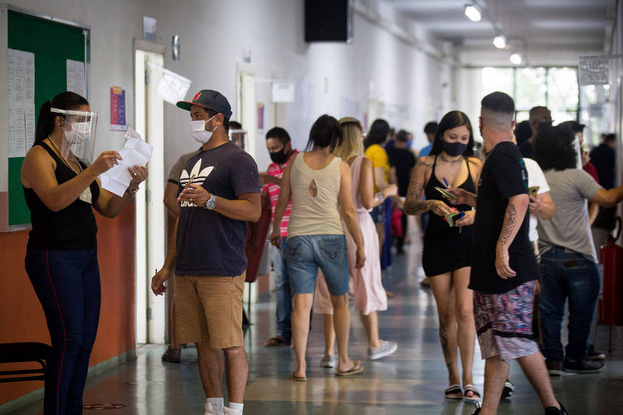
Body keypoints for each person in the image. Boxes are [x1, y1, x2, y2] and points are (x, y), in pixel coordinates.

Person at [21, 91, 147, 415]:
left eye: (90, 121)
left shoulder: (75, 161)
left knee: (85, 340)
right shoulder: (40, 156)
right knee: (68, 339)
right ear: (60, 121)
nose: (86, 128)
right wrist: (92, 171)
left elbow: (107, 207)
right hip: (54, 257)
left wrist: (132, 187)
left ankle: (73, 407)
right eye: (81, 121)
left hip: (85, 256)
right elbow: (53, 199)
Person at [446, 92, 567, 415]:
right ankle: (487, 411)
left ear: (481, 122)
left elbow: (520, 200)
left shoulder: (501, 156)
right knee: (497, 345)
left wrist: (502, 248)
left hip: (508, 270)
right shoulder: (501, 157)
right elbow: (503, 203)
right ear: (512, 123)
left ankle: (553, 408)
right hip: (493, 271)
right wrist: (471, 198)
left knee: (518, 342)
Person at [152, 90, 261, 415]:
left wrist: (212, 201)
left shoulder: (238, 160)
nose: (194, 121)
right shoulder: (192, 161)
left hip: (221, 266)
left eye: (199, 115)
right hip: (187, 268)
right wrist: (167, 266)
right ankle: (212, 405)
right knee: (201, 342)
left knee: (229, 343)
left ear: (218, 119)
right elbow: (183, 218)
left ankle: (235, 408)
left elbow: (252, 211)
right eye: (192, 116)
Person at [268, 114, 365, 381]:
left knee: (301, 303)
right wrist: (360, 243)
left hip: (297, 237)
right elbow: (347, 209)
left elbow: (283, 199)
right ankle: (343, 361)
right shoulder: (340, 166)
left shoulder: (295, 162)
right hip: (331, 238)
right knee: (340, 301)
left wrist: (277, 230)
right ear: (335, 139)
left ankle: (300, 367)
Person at [403, 110, 482, 402]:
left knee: (465, 311)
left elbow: (490, 203)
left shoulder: (476, 165)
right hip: (437, 244)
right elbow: (408, 205)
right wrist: (431, 204)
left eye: (464, 138)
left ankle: (471, 378)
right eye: (452, 137)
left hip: (468, 245)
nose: (458, 143)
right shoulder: (424, 164)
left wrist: (473, 213)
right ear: (441, 137)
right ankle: (453, 378)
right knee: (446, 313)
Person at [534, 126, 623, 376]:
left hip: (547, 256)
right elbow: (606, 199)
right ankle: (576, 357)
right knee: (582, 312)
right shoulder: (576, 175)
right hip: (579, 257)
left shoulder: (539, 177)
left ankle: (552, 359)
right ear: (567, 149)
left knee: (550, 312)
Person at [314, 116, 398, 366]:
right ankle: (374, 344)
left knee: (330, 289)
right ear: (358, 137)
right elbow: (368, 202)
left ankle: (329, 353)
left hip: (330, 225)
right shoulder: (363, 162)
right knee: (367, 282)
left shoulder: (328, 162)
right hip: (358, 226)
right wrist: (389, 192)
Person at [259, 127, 298, 347]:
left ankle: (302, 331)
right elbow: (270, 203)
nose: (272, 152)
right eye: (269, 149)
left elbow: (299, 189)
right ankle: (284, 332)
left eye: (275, 148)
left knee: (301, 286)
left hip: (298, 233)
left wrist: (271, 180)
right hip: (277, 236)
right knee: (282, 285)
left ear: (287, 145)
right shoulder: (272, 168)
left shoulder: (300, 162)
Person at [386, 129, 416, 254]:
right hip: (404, 188)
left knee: (389, 214)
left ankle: (390, 240)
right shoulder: (409, 155)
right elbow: (414, 173)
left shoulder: (388, 152)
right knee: (402, 215)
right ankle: (400, 243)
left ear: (396, 139)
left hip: (389, 188)